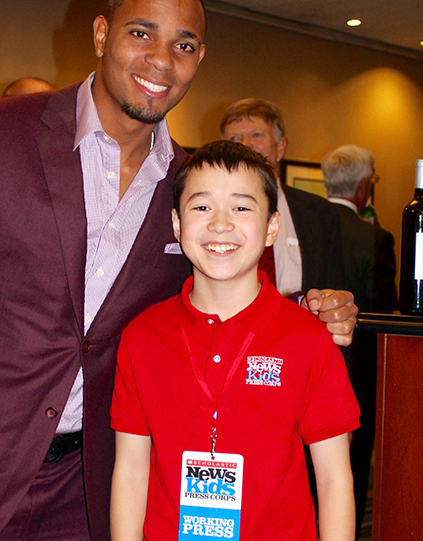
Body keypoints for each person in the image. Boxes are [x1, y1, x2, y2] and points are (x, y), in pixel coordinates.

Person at [0, 0, 357, 541]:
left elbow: (218, 293)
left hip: (93, 490)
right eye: (141, 33)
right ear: (101, 35)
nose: (162, 60)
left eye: (184, 44)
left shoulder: (190, 185)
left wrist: (310, 310)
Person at [110, 141, 359, 541]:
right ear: (176, 223)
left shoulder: (309, 339)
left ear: (271, 227)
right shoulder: (142, 338)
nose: (220, 224)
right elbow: (131, 473)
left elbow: (333, 480)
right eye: (202, 207)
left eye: (242, 207)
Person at [321, 144, 398, 537]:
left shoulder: (302, 224)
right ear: (365, 187)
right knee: (349, 472)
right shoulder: (375, 239)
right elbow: (387, 314)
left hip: (299, 365)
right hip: (358, 376)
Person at [221, 99, 345, 296]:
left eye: (257, 135)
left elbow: (334, 293)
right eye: (235, 138)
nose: (245, 144)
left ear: (280, 147)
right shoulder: (209, 216)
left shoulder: (321, 215)